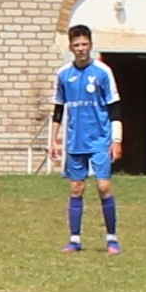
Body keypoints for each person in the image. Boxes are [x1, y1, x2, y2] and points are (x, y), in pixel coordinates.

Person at [50, 24, 121, 254]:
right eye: (76, 45)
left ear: (90, 45)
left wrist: (116, 139)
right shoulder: (64, 75)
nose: (81, 49)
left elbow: (115, 108)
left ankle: (111, 238)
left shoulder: (102, 72)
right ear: (70, 47)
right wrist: (53, 140)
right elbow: (58, 109)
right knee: (76, 188)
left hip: (100, 139)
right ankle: (75, 239)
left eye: (84, 44)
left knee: (103, 186)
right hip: (75, 141)